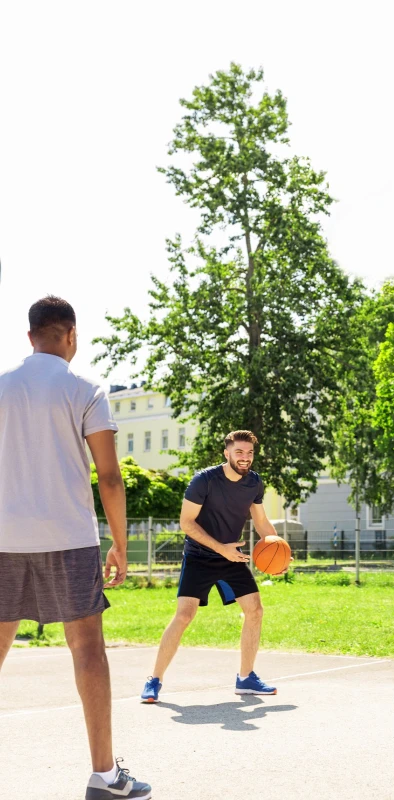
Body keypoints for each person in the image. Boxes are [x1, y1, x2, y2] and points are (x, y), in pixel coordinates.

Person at [0, 296, 151, 800]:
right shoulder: (86, 389)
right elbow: (109, 477)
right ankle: (104, 778)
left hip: (4, 537)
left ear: (30, 337)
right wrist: (120, 545)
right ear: (71, 335)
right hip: (68, 538)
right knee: (87, 649)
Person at [141, 430, 287, 703]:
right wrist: (221, 548)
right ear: (226, 453)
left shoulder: (254, 482)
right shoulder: (204, 480)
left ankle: (246, 678)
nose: (245, 457)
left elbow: (261, 521)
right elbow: (186, 523)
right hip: (199, 556)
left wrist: (279, 551)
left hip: (231, 557)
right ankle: (154, 679)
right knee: (184, 615)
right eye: (239, 452)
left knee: (255, 610)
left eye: (250, 453)